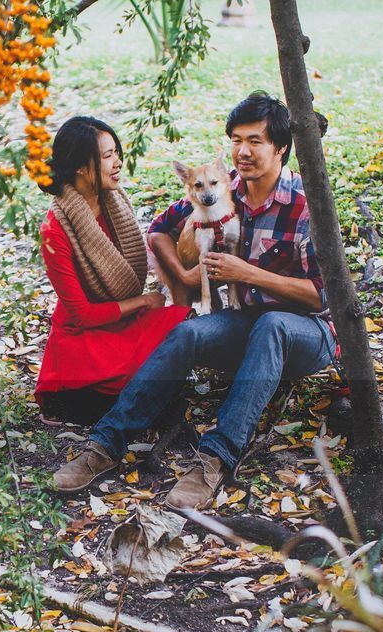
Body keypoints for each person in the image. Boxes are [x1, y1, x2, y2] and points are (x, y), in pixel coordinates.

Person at [52, 92, 341, 510]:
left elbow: (323, 295)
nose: (243, 151)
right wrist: (185, 275)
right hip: (246, 322)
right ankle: (105, 444)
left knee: (272, 326)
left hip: (306, 333)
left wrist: (248, 274)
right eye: (236, 139)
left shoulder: (305, 204)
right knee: (186, 333)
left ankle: (214, 460)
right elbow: (160, 229)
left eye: (255, 141)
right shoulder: (223, 190)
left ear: (281, 147)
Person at [34, 116, 191, 426]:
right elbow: (82, 315)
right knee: (156, 385)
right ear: (80, 166)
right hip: (86, 338)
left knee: (185, 332)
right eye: (107, 156)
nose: (118, 162)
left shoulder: (114, 200)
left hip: (121, 321)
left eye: (116, 152)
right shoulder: (54, 230)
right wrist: (144, 302)